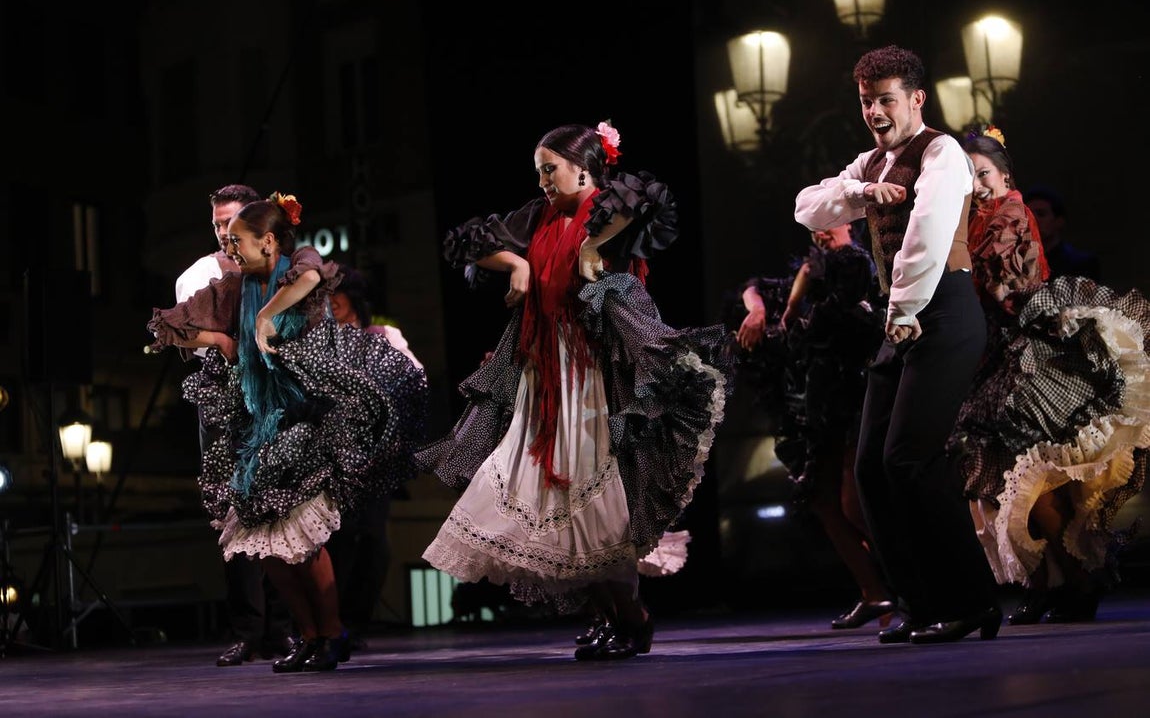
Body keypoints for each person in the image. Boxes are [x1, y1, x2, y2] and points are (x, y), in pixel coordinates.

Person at [416, 121, 734, 661]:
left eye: (550, 168)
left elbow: (650, 198)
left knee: (596, 491)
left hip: (595, 374)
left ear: (583, 166)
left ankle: (631, 619)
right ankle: (609, 617)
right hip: (543, 373)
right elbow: (467, 240)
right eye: (538, 170)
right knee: (546, 493)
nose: (542, 180)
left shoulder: (609, 208)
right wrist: (516, 261)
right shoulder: (538, 216)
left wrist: (592, 242)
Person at [146, 193, 428, 672]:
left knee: (304, 544)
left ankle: (332, 632)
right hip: (256, 428)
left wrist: (264, 315)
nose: (229, 251)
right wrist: (219, 337)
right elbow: (173, 325)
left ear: (269, 241)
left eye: (238, 241)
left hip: (301, 422)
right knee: (268, 547)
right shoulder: (233, 288)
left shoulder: (297, 273)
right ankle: (309, 634)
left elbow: (315, 275)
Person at [794, 45, 1001, 645]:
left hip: (943, 309)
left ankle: (970, 601)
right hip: (903, 318)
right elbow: (809, 206)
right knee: (869, 469)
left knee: (909, 460)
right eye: (866, 102)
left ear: (916, 99)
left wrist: (905, 309)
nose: (876, 112)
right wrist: (861, 195)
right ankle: (920, 601)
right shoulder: (873, 163)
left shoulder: (942, 152)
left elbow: (928, 235)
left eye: (887, 100)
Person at [951, 127, 1150, 625]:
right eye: (967, 175)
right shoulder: (977, 217)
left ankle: (1074, 584)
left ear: (1004, 175)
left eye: (983, 174)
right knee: (1009, 481)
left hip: (1026, 353)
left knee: (1032, 479)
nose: (976, 184)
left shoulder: (1009, 212)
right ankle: (1051, 584)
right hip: (994, 356)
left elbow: (1002, 287)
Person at [731, 223, 893, 630]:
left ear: (849, 224)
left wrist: (795, 300)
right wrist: (758, 308)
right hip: (818, 405)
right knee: (821, 498)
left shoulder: (853, 263)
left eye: (830, 221)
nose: (821, 231)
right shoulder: (812, 269)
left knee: (855, 503)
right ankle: (876, 593)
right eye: (815, 224)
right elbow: (754, 285)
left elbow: (832, 317)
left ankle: (918, 585)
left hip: (852, 396)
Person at [176, 184, 295, 667]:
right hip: (224, 394)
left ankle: (288, 627)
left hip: (276, 390)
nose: (225, 231)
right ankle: (248, 629)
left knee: (285, 500)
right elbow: (188, 337)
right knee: (234, 508)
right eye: (217, 223)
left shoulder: (277, 264)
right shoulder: (199, 274)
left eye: (233, 221)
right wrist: (226, 343)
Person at [325, 264, 424, 649]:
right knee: (337, 537)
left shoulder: (383, 336)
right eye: (324, 295)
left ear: (356, 299)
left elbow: (416, 380)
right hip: (330, 451)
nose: (331, 301)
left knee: (371, 536)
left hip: (375, 450)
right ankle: (329, 623)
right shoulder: (318, 341)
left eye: (338, 293)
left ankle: (354, 621)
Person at [1024, 185, 1102, 282]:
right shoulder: (1019, 264)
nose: (1033, 220)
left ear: (1059, 221)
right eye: (1028, 214)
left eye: (1041, 214)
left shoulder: (1081, 264)